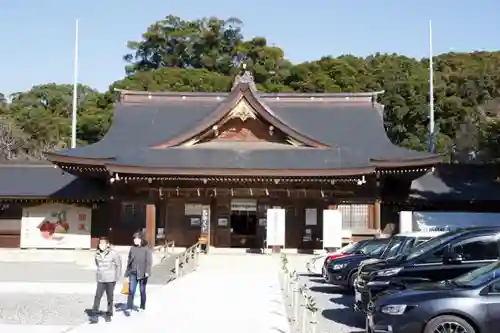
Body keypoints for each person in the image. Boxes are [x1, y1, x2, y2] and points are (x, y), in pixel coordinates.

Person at [91, 237, 122, 322]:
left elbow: (118, 265)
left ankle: (109, 313)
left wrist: (117, 276)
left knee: (110, 297)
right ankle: (94, 314)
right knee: (97, 296)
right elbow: (97, 264)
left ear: (107, 244)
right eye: (100, 243)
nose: (101, 245)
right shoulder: (97, 253)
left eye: (103, 243)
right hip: (101, 278)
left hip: (110, 279)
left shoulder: (113, 253)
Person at [124, 232, 153, 313]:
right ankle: (129, 306)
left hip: (143, 273)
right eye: (134, 238)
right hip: (133, 272)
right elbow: (129, 261)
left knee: (142, 290)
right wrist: (127, 272)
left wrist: (147, 271)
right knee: (131, 290)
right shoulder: (132, 248)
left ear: (141, 239)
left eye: (137, 238)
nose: (135, 240)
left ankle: (142, 306)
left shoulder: (146, 248)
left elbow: (149, 261)